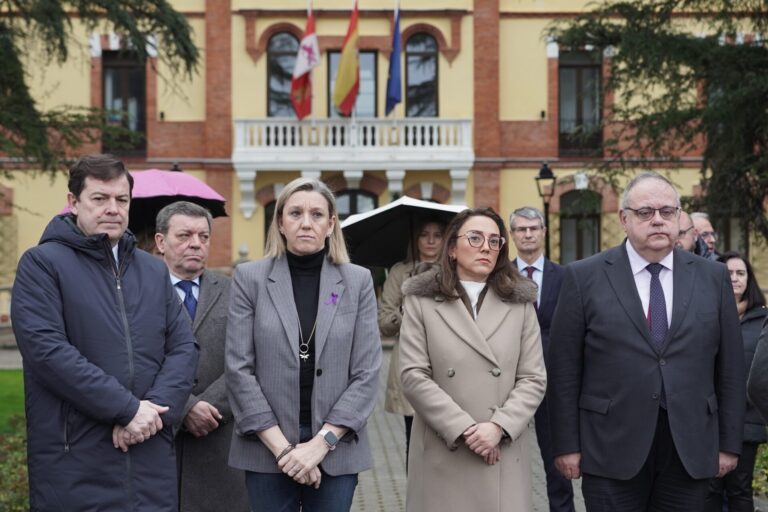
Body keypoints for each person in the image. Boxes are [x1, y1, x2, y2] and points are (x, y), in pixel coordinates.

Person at [11, 154, 199, 511]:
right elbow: (47, 352)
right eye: (100, 198)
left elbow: (184, 347)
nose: (113, 208)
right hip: (77, 462)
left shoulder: (153, 270)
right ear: (73, 202)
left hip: (150, 459)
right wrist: (126, 410)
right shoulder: (42, 264)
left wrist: (151, 416)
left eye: (122, 199)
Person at [547, 172, 745, 511]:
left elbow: (730, 367)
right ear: (624, 218)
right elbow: (564, 369)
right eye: (645, 212)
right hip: (610, 447)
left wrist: (729, 443)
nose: (657, 220)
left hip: (690, 447)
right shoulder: (583, 277)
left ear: (678, 217)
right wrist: (566, 445)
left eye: (667, 212)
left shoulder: (712, 277)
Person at [225, 177, 382, 512]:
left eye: (317, 214)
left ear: (331, 224)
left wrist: (320, 444)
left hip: (336, 444)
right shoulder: (250, 279)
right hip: (266, 444)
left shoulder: (357, 281)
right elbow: (239, 369)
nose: (306, 223)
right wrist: (285, 451)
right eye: (295, 213)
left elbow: (367, 373)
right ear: (281, 223)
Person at [399, 207, 547, 512]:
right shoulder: (421, 300)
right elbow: (413, 375)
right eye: (476, 238)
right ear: (452, 248)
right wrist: (466, 429)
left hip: (501, 449)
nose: (486, 247)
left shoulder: (520, 302)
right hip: (444, 447)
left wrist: (498, 427)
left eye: (495, 241)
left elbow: (533, 378)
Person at [154, 201, 249, 512]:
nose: (196, 243)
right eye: (184, 235)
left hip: (220, 443)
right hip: (160, 440)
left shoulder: (236, 292)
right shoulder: (138, 292)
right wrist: (185, 407)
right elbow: (135, 360)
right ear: (160, 242)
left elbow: (249, 356)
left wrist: (211, 406)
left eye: (203, 236)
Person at [509, 206, 573, 512]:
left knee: (556, 460)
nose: (528, 234)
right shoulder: (500, 277)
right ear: (512, 235)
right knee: (507, 457)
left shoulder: (566, 276)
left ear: (544, 232)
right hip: (511, 380)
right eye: (521, 229)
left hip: (553, 381)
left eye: (533, 228)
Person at [378, 217, 446, 467]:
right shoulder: (400, 272)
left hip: (448, 363)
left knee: (447, 439)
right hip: (411, 360)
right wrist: (405, 312)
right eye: (424, 234)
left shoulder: (455, 270)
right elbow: (384, 322)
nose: (430, 241)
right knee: (415, 442)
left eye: (437, 235)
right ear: (415, 239)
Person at [704, 252, 767, 511]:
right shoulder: (705, 315)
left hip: (747, 421)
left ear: (749, 280)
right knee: (709, 488)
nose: (734, 279)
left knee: (740, 488)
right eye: (728, 273)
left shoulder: (762, 320)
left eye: (740, 273)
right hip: (709, 418)